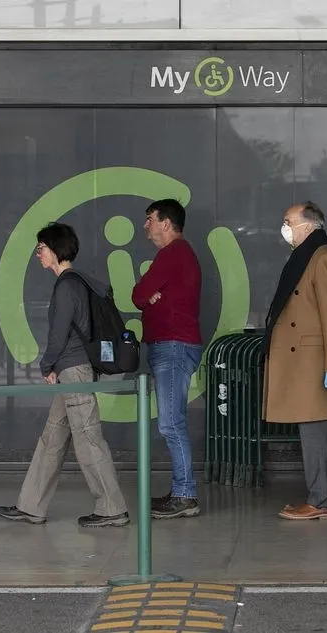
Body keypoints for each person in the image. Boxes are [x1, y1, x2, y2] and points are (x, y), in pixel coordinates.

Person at [0, 222, 129, 527]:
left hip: (73, 372)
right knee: (52, 439)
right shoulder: (77, 283)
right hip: (72, 370)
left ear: (55, 249)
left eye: (41, 248)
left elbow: (59, 333)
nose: (37, 254)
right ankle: (31, 505)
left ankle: (112, 508)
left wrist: (47, 364)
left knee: (88, 438)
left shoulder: (68, 285)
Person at [262, 201, 327, 521]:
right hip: (304, 359)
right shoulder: (306, 256)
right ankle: (320, 496)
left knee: (315, 430)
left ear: (308, 225)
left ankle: (321, 500)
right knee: (311, 428)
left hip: (314, 361)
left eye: (288, 221)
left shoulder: (323, 258)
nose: (284, 227)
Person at [133, 199, 204, 520]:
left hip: (173, 347)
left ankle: (185, 494)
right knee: (171, 421)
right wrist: (151, 295)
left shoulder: (172, 254)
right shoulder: (178, 255)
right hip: (173, 346)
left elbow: (137, 294)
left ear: (166, 222)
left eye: (150, 219)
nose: (146, 226)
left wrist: (150, 296)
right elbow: (142, 294)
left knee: (170, 422)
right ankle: (181, 491)